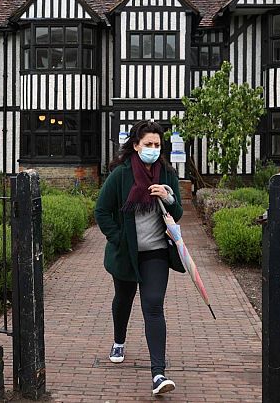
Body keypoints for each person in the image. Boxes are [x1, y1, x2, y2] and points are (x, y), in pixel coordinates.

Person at [94, 120, 185, 395]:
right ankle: (119, 340)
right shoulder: (121, 175)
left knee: (154, 306)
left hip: (156, 252)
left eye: (157, 145)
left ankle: (158, 374)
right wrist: (119, 238)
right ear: (136, 146)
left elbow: (177, 213)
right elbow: (102, 211)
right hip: (126, 254)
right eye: (148, 145)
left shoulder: (167, 174)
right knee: (123, 300)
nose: (153, 150)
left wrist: (168, 198)